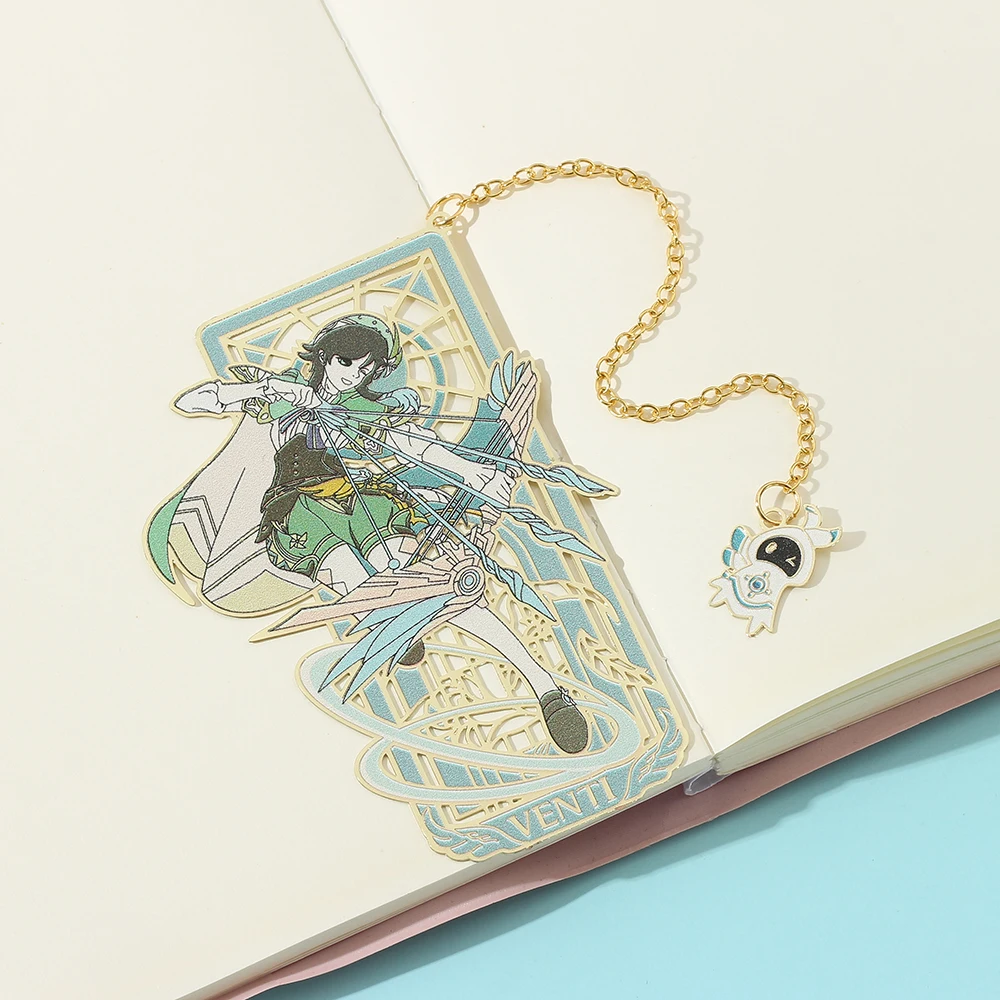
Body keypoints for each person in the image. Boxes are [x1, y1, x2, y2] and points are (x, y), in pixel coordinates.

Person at [167, 312, 589, 753]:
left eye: (365, 369)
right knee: (362, 580)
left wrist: (472, 472)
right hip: (302, 514)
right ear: (325, 358)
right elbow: (197, 402)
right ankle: (393, 621)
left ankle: (546, 688)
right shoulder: (286, 394)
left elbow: (411, 444)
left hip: (361, 503)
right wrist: (253, 392)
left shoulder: (360, 409)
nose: (354, 375)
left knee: (439, 582)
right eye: (346, 363)